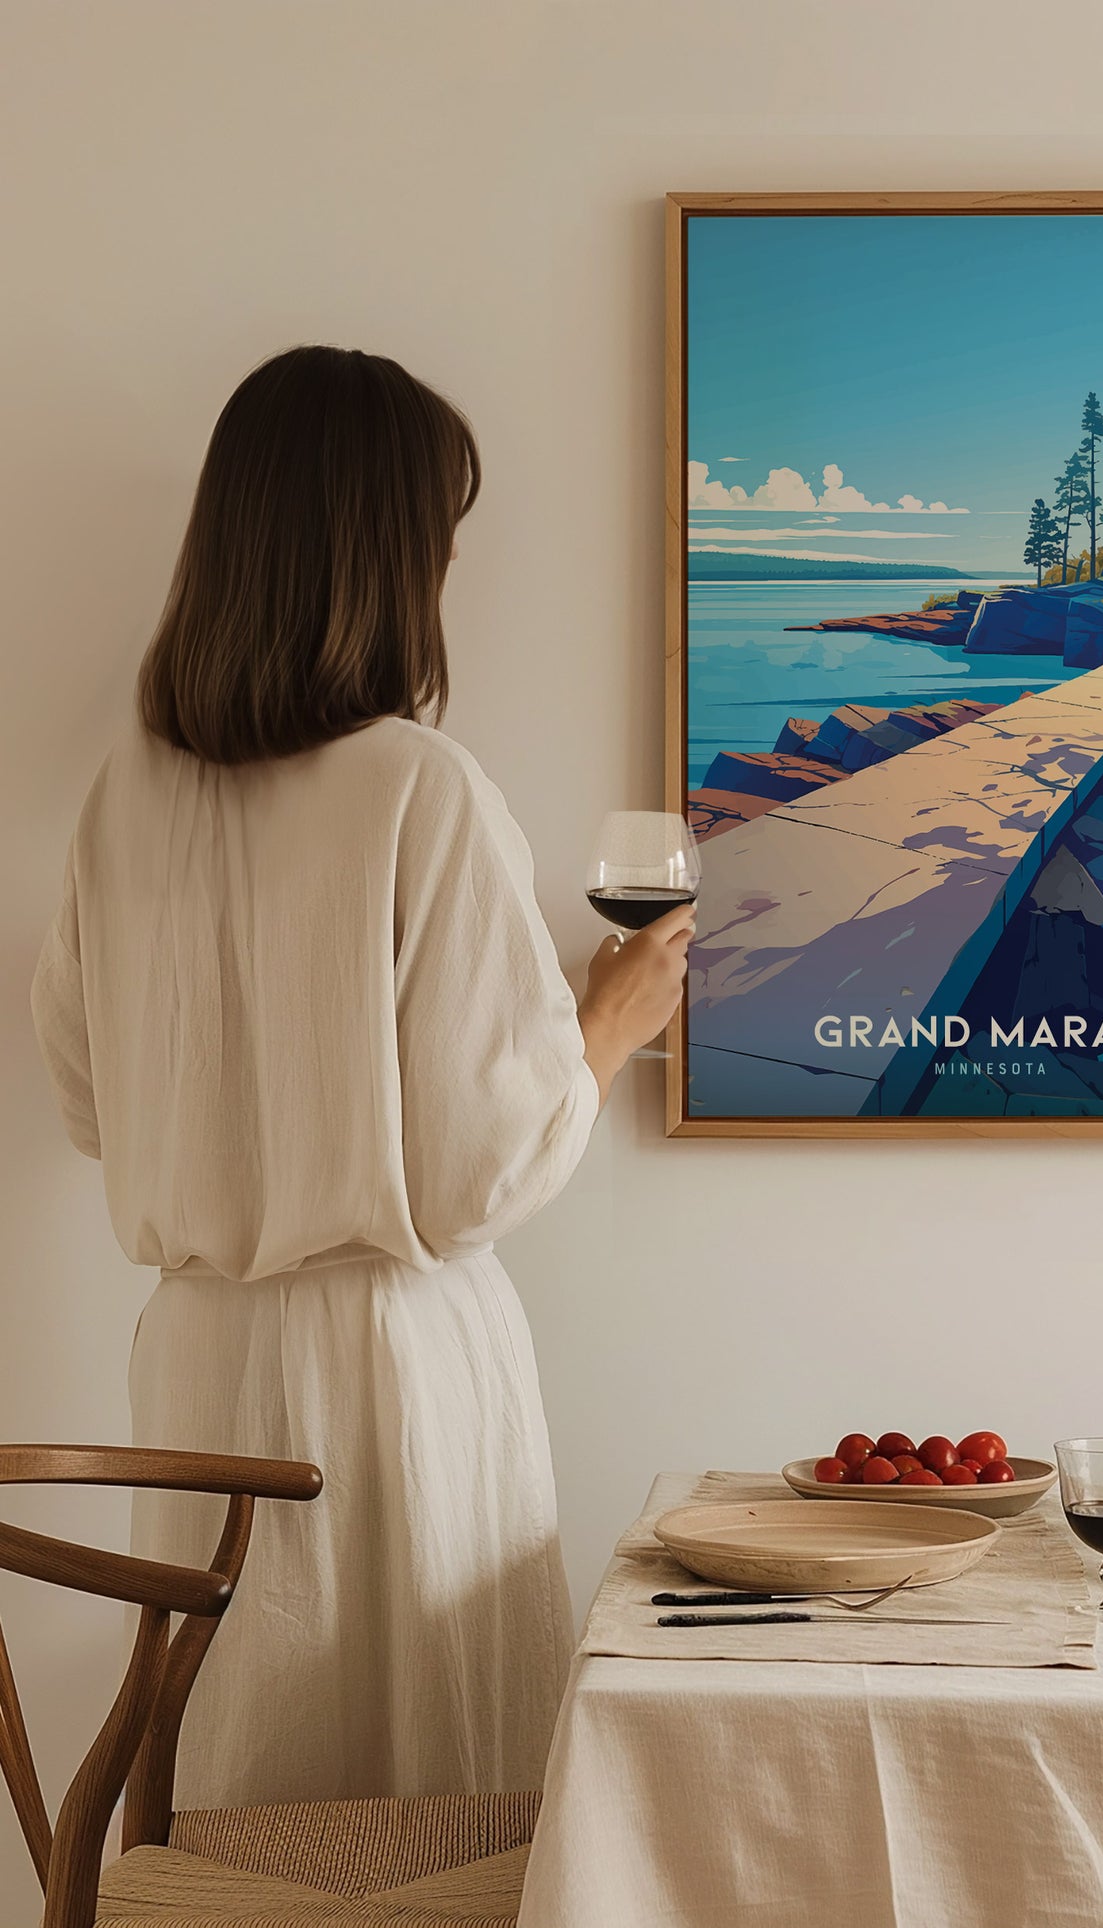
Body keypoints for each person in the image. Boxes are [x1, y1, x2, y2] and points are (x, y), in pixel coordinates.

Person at [29, 345, 690, 1806]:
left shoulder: (122, 797)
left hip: (197, 1360)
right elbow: (474, 1173)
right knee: (424, 1809)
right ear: (387, 556)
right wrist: (606, 1020)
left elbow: (87, 1101)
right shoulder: (417, 785)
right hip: (390, 1371)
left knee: (241, 1788)